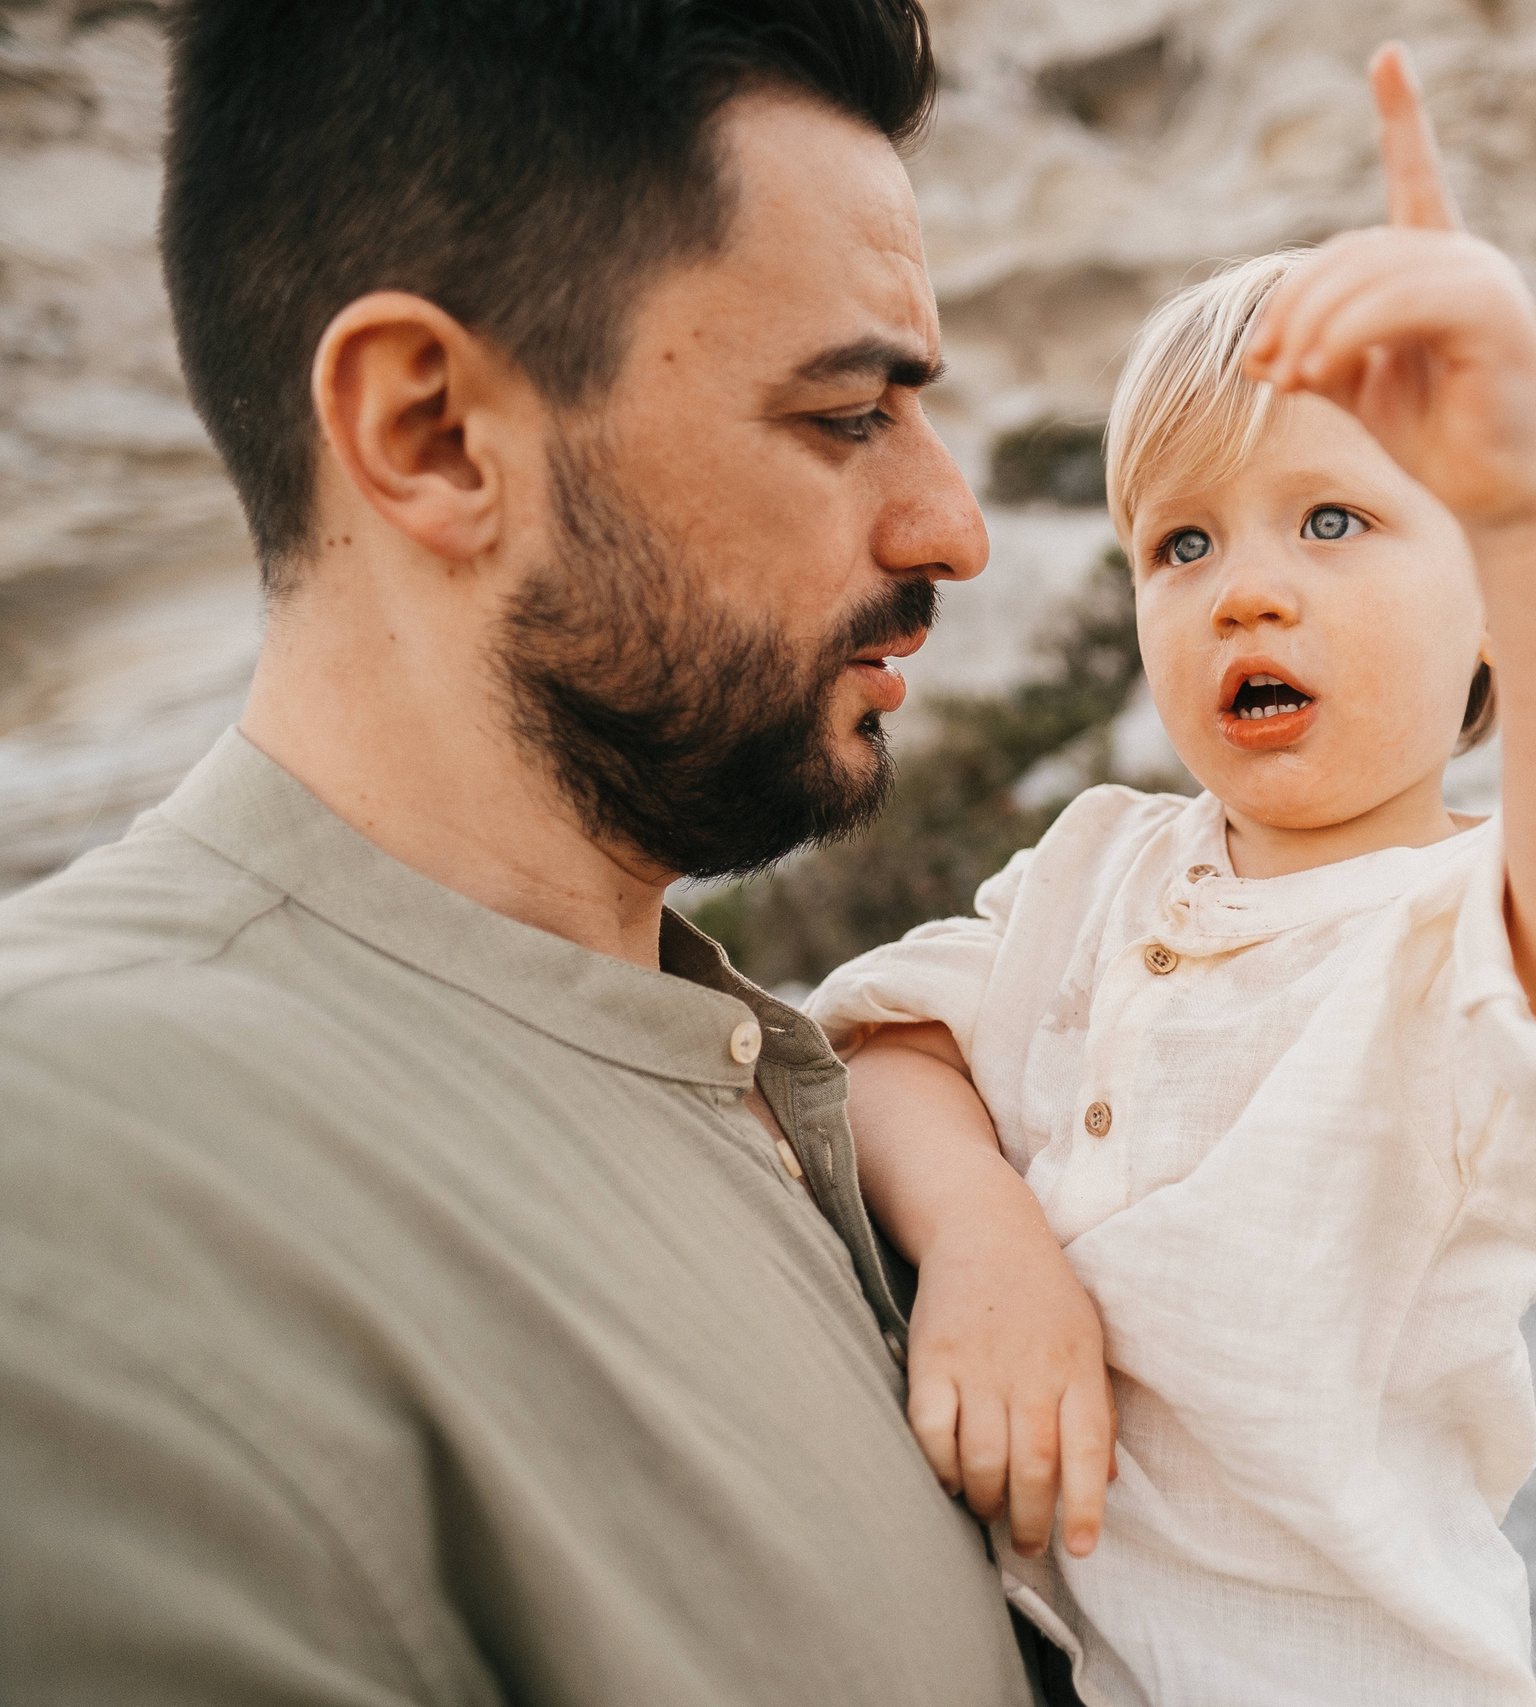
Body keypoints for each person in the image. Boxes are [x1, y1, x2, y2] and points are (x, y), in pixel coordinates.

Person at [0, 1, 1076, 1700]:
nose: (952, 525)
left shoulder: (697, 1049)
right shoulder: (74, 1190)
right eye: (847, 413)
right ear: (429, 429)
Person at [809, 45, 1536, 1707]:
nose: (1246, 592)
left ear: (1493, 609)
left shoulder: (1457, 942)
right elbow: (892, 1042)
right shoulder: (1100, 866)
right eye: (1183, 544)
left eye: (1332, 522)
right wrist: (987, 1240)